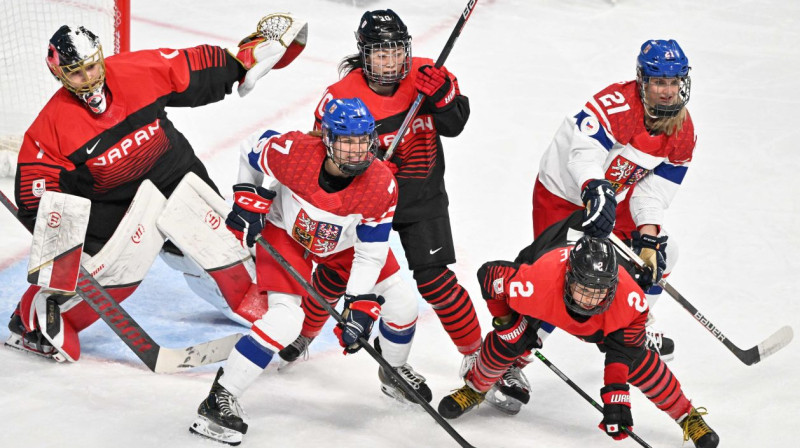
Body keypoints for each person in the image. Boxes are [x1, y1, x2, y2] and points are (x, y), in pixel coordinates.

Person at [5, 17, 307, 362]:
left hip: (177, 178)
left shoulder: (135, 70)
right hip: (118, 209)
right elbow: (37, 203)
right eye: (75, 73)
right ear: (59, 74)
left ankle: (239, 297)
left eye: (91, 66)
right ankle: (32, 313)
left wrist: (240, 63)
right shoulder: (51, 129)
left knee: (229, 251)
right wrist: (66, 261)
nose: (88, 78)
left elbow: (189, 68)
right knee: (116, 276)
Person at [189, 98, 431, 445]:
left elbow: (370, 253)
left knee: (404, 303)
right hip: (287, 233)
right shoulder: (295, 152)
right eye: (347, 142)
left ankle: (392, 370)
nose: (356, 152)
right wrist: (247, 197)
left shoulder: (382, 185)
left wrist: (359, 304)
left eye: (362, 142)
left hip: (346, 244)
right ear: (327, 139)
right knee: (285, 321)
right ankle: (219, 398)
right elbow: (250, 150)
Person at [278, 8, 481, 376]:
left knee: (436, 281)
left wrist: (446, 96)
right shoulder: (340, 96)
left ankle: (476, 355)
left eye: (397, 52)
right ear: (364, 54)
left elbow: (456, 125)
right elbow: (324, 153)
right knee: (335, 273)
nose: (391, 63)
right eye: (380, 54)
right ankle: (303, 333)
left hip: (423, 198)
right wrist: (365, 171)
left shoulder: (428, 75)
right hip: (366, 204)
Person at [505, 39, 695, 410]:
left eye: (675, 82)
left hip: (615, 194)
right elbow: (583, 155)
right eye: (659, 82)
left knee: (662, 255)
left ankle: (633, 330)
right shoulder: (618, 106)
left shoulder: (683, 132)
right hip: (563, 194)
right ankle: (511, 363)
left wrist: (647, 237)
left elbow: (651, 193)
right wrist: (596, 190)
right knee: (561, 278)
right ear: (642, 80)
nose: (668, 91)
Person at [437, 236, 719, 448]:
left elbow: (622, 354)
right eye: (583, 289)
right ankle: (475, 388)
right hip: (549, 305)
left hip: (601, 325)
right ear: (569, 278)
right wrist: (507, 323)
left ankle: (686, 415)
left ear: (613, 287)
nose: (589, 300)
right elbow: (489, 275)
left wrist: (615, 396)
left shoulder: (631, 302)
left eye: (599, 293)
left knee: (640, 362)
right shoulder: (535, 283)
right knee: (507, 343)